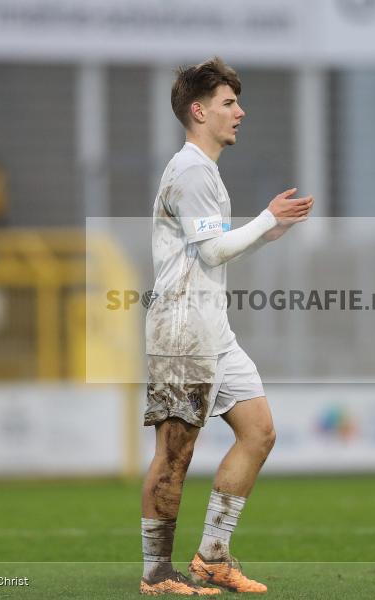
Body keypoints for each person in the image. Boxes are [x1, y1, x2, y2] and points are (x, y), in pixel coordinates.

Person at [140, 57, 314, 595]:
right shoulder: (191, 170)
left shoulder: (204, 170)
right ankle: (156, 575)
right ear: (199, 110)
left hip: (213, 329)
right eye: (228, 103)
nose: (240, 111)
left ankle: (212, 557)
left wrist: (264, 232)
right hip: (182, 331)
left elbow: (211, 252)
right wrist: (264, 220)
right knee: (175, 454)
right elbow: (213, 248)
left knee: (259, 432)